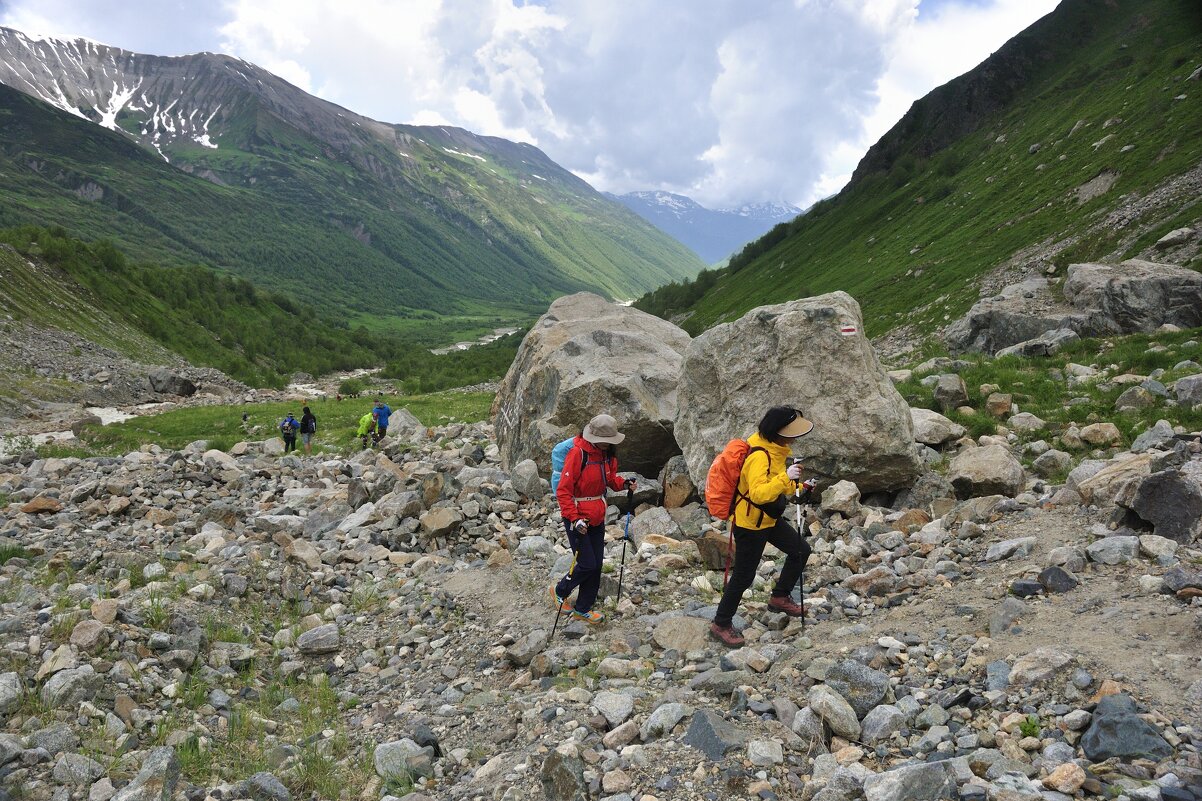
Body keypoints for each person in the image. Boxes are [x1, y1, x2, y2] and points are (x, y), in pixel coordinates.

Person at [710, 406, 815, 648]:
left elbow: (778, 486)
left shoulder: (776, 450)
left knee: (800, 550)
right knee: (744, 576)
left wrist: (800, 487)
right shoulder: (759, 455)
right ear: (778, 432)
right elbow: (758, 494)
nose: (794, 437)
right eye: (791, 432)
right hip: (750, 524)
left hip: (768, 519)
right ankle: (721, 623)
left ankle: (779, 597)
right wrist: (784, 477)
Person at [549, 414, 634, 625]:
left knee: (596, 565)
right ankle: (560, 590)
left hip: (597, 515)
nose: (608, 444)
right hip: (577, 518)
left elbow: (610, 479)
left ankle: (583, 608)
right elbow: (563, 491)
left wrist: (623, 484)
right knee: (587, 564)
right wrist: (575, 519)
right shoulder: (578, 454)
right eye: (607, 440)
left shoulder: (607, 455)